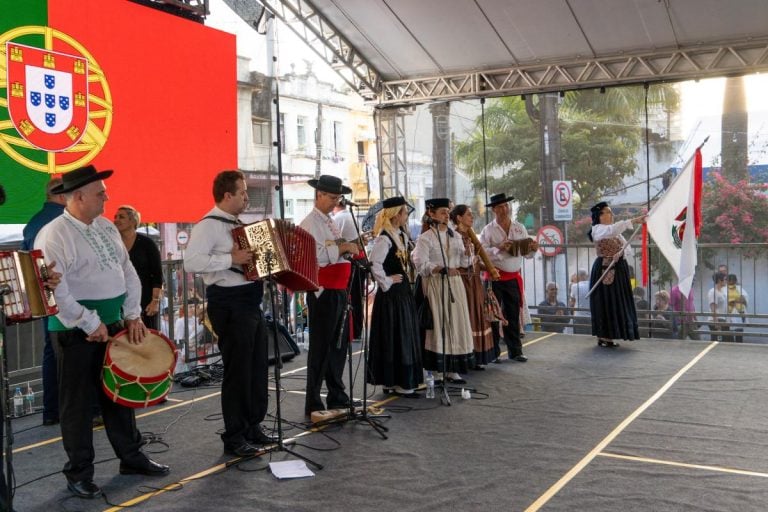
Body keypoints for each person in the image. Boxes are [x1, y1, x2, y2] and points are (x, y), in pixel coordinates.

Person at [34, 164, 169, 500]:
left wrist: (133, 314)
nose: (107, 197)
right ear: (78, 196)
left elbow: (128, 272)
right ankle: (79, 472)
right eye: (100, 193)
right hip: (74, 329)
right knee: (77, 405)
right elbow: (55, 291)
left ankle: (131, 457)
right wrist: (89, 322)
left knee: (118, 394)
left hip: (113, 324)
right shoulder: (54, 234)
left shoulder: (106, 227)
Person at [183, 170, 274, 456]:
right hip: (229, 302)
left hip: (250, 301)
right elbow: (191, 262)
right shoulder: (208, 226)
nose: (247, 197)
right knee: (238, 371)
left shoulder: (236, 224)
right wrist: (230, 259)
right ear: (227, 195)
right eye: (243, 192)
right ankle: (234, 435)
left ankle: (252, 426)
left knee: (257, 367)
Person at [299, 175, 359, 415]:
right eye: (332, 197)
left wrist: (347, 247)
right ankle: (313, 400)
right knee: (321, 348)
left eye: (337, 198)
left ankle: (337, 394)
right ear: (319, 195)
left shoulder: (329, 220)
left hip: (338, 289)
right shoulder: (309, 223)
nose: (335, 202)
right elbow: (315, 257)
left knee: (338, 347)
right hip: (323, 292)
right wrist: (342, 247)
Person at [412, 198, 475, 383]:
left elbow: (463, 264)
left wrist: (467, 255)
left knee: (455, 323)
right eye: (442, 212)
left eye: (448, 212)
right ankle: (437, 371)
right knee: (440, 325)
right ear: (431, 214)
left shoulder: (455, 236)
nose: (447, 216)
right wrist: (440, 268)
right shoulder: (425, 238)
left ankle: (452, 369)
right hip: (436, 284)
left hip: (455, 284)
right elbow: (421, 265)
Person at [21, 175, 66, 427]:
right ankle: (79, 409)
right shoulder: (63, 221)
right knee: (71, 351)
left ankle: (52, 410)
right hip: (62, 295)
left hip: (41, 297)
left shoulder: (33, 222)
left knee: (51, 351)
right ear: (63, 196)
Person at [366, 196, 423, 396]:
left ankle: (396, 381)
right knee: (395, 335)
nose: (407, 216)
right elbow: (374, 264)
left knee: (399, 334)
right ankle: (396, 382)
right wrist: (388, 281)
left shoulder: (401, 235)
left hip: (402, 293)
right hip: (392, 295)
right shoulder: (384, 237)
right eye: (405, 212)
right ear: (396, 214)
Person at [479, 193, 537, 362]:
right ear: (494, 210)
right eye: (500, 207)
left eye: (506, 206)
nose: (504, 209)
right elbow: (482, 252)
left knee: (512, 314)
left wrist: (533, 248)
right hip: (494, 277)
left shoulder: (519, 228)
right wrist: (499, 247)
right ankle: (494, 352)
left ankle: (516, 351)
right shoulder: (488, 230)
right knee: (493, 315)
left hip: (512, 277)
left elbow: (527, 254)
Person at [587, 201, 645, 348]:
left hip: (618, 269)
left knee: (617, 301)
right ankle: (604, 335)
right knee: (606, 301)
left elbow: (627, 248)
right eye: (607, 212)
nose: (611, 214)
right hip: (605, 269)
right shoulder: (598, 229)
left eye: (611, 212)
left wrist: (621, 252)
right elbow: (611, 230)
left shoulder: (615, 232)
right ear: (599, 216)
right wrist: (632, 220)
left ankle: (610, 334)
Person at [450, 204, 496, 367]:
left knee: (478, 314)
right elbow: (460, 261)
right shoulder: (454, 236)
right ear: (459, 218)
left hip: (475, 281)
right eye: (469, 215)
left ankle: (479, 355)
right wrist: (475, 260)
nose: (472, 217)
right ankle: (469, 356)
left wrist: (489, 268)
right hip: (465, 282)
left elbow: (474, 260)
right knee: (469, 315)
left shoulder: (469, 236)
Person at [113, 205, 163, 329]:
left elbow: (158, 275)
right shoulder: (113, 244)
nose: (116, 220)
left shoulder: (147, 244)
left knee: (147, 340)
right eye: (115, 217)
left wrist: (155, 301)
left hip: (146, 302)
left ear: (133, 221)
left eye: (121, 217)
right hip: (119, 301)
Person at [331, 199, 365, 341]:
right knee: (358, 297)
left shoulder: (337, 219)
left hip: (352, 261)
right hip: (359, 259)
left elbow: (336, 241)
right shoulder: (351, 217)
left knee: (352, 297)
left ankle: (352, 331)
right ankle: (356, 330)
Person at [708, 271, 731, 342]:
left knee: (726, 341)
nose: (726, 281)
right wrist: (716, 323)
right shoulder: (713, 292)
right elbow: (713, 308)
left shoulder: (722, 291)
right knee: (717, 342)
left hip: (723, 319)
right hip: (716, 320)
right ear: (719, 280)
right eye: (725, 279)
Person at [726, 273, 748, 342]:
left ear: (735, 281)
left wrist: (734, 301)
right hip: (728, 313)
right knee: (729, 333)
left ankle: (739, 345)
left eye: (733, 281)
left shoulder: (739, 288)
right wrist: (736, 300)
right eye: (730, 281)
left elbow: (744, 299)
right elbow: (724, 300)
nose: (731, 283)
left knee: (739, 332)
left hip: (739, 312)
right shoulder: (724, 289)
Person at [569, 269, 591, 335]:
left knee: (579, 337)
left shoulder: (575, 286)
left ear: (578, 276)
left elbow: (572, 303)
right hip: (592, 317)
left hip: (579, 317)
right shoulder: (592, 285)